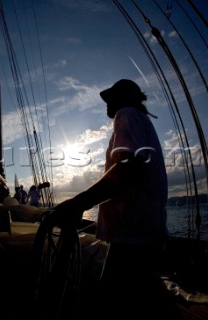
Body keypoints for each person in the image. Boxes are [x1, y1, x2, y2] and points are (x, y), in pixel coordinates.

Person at [45, 79, 182, 319]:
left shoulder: (126, 114)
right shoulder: (141, 121)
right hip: (145, 233)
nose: (107, 104)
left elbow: (127, 168)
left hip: (133, 236)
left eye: (110, 98)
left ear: (122, 98)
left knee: (107, 307)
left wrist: (79, 203)